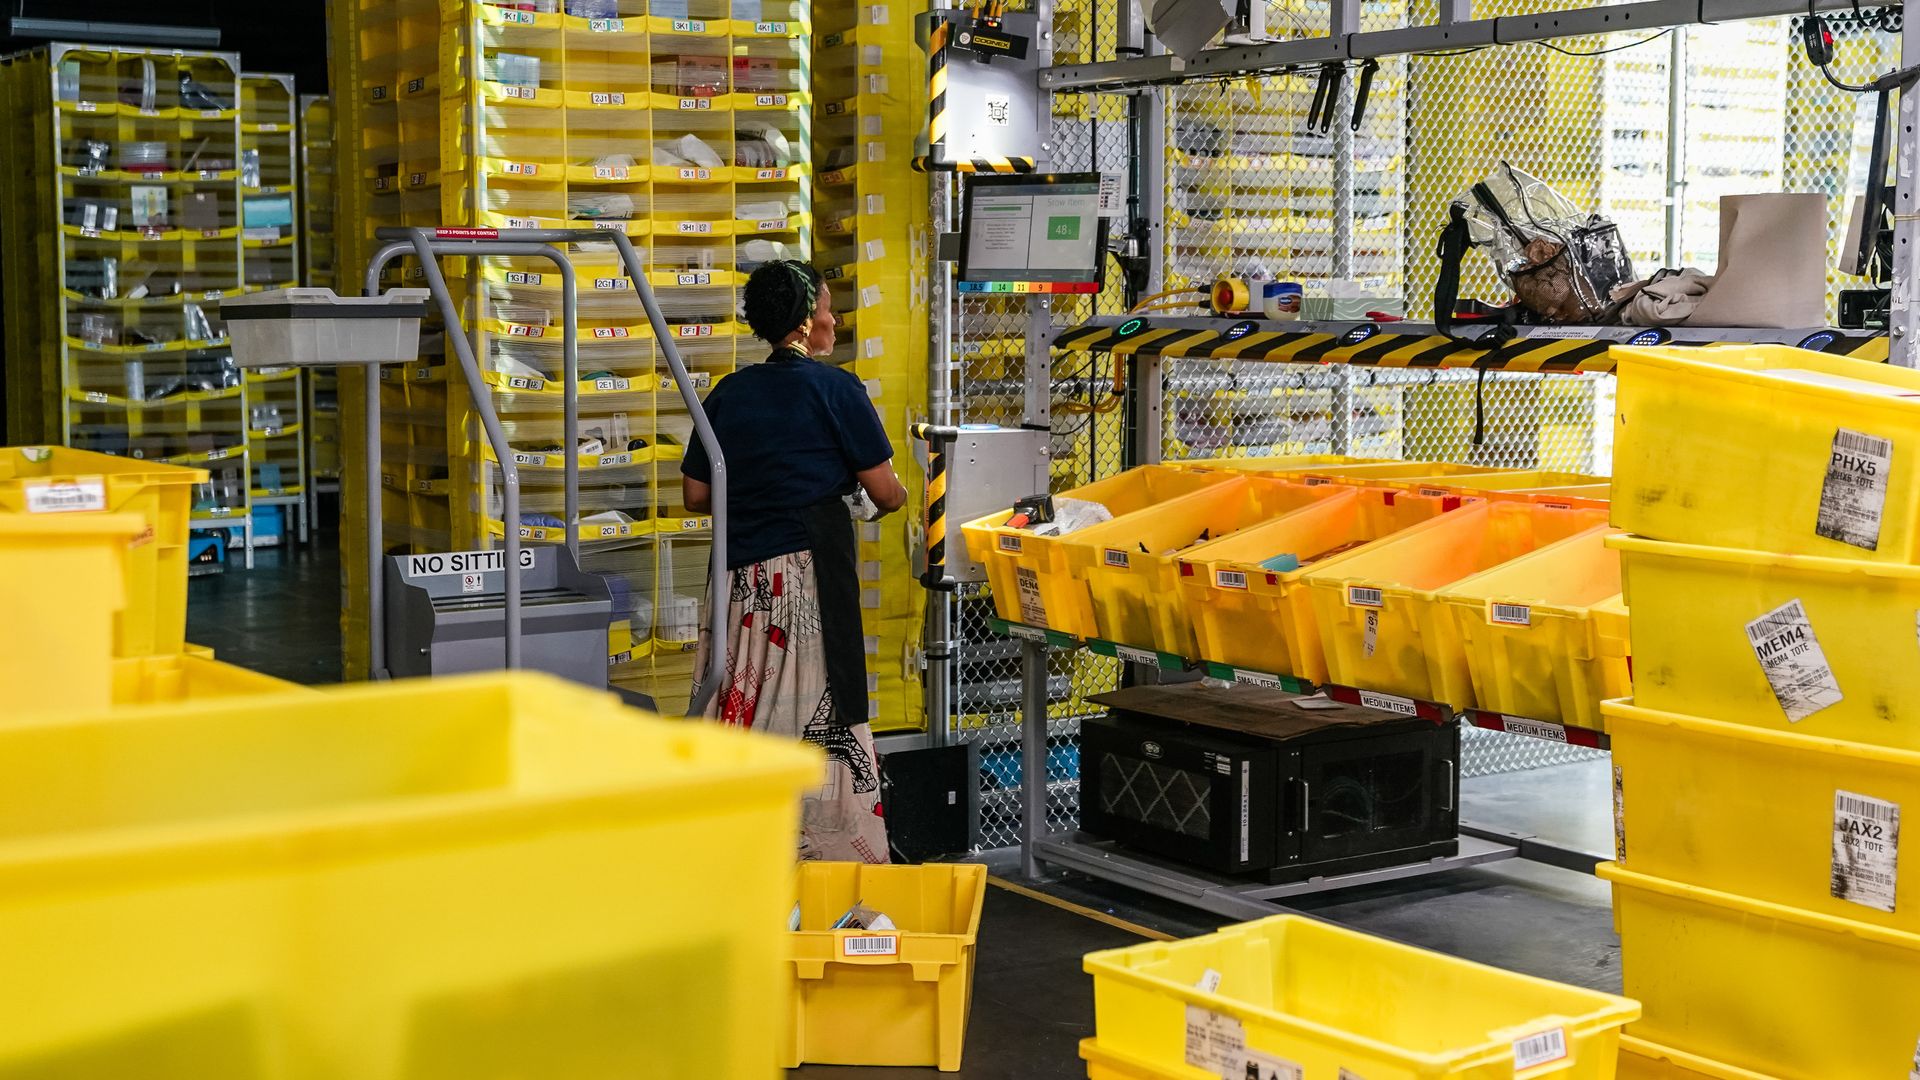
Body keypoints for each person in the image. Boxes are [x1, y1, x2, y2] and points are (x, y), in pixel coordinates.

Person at [681, 260, 907, 863]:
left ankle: (728, 851)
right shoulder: (836, 390)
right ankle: (821, 863)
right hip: (804, 581)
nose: (835, 320)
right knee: (810, 716)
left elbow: (696, 494)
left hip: (738, 583)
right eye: (828, 308)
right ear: (808, 321)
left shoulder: (728, 394)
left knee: (741, 705)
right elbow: (886, 493)